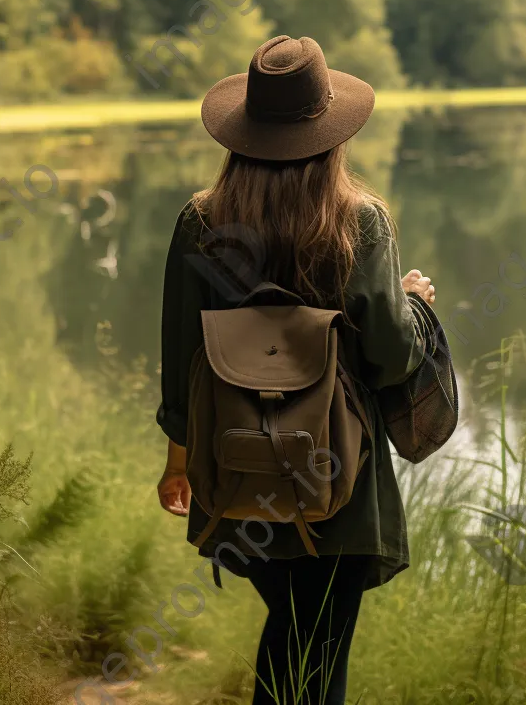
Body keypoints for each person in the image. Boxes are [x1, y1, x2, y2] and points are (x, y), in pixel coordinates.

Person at [155, 35, 439, 705]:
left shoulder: (200, 222)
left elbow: (180, 359)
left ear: (244, 133)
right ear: (332, 134)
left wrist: (178, 461)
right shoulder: (357, 221)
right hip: (337, 477)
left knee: (292, 633)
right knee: (317, 654)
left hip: (236, 468)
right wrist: (415, 308)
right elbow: (393, 354)